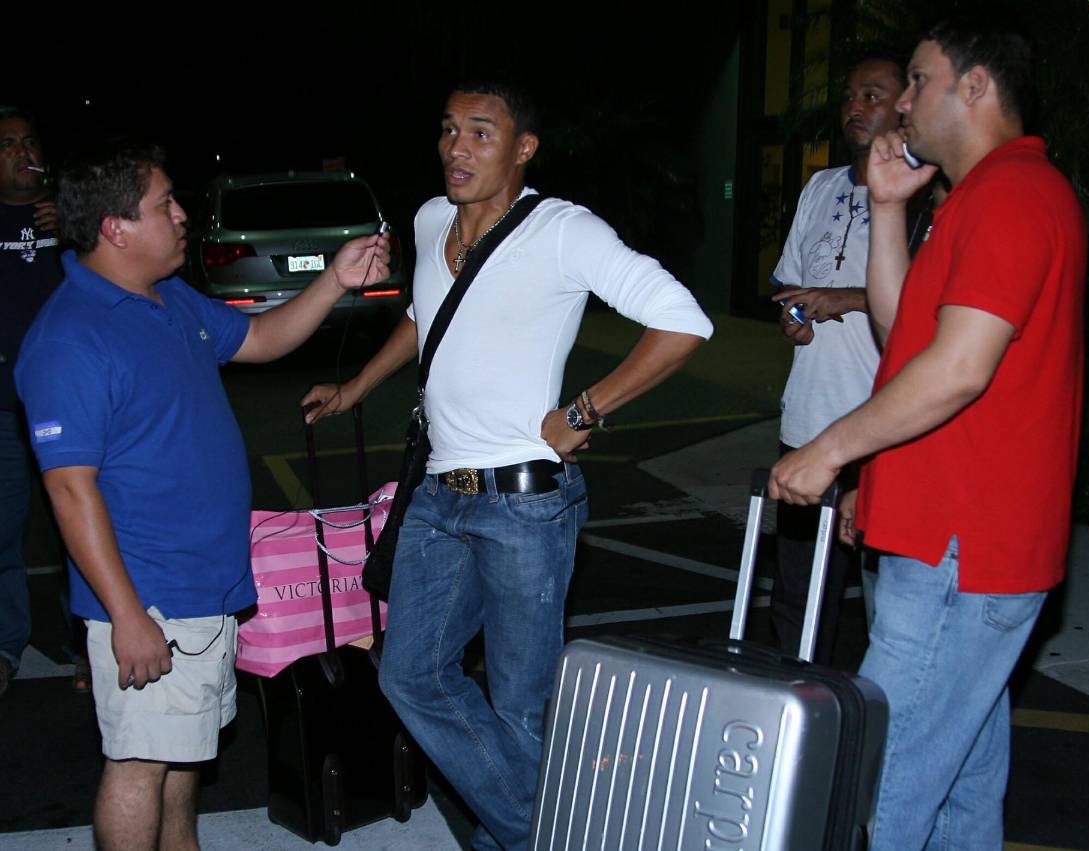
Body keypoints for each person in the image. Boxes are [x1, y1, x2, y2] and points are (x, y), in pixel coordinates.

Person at [302, 82, 712, 850]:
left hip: (524, 504)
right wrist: (358, 385)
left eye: (481, 133)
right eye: (448, 129)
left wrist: (584, 411)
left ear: (524, 148)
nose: (457, 147)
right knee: (410, 675)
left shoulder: (563, 230)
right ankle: (543, 833)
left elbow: (682, 321)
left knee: (522, 708)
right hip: (437, 496)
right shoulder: (430, 218)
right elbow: (425, 313)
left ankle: (526, 836)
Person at [16, 139, 390, 851]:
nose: (183, 215)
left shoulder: (167, 297)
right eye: (165, 204)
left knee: (181, 755)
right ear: (116, 228)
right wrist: (127, 615)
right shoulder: (70, 338)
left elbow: (261, 338)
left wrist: (335, 279)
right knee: (138, 763)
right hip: (151, 594)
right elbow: (68, 489)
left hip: (206, 586)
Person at [768, 16, 1086, 850]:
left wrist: (831, 449)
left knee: (879, 788)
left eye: (918, 79)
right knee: (960, 791)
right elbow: (903, 330)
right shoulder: (976, 197)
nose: (903, 102)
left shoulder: (1014, 194)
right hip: (952, 542)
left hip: (962, 550)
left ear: (974, 85)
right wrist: (886, 208)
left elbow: (957, 369)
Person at [767, 54, 905, 664]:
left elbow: (934, 307)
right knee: (799, 592)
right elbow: (791, 287)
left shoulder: (926, 196)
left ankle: (885, 711)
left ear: (907, 103)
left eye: (872, 95)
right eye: (850, 95)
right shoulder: (820, 187)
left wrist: (846, 298)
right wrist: (794, 317)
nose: (855, 106)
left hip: (887, 429)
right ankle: (799, 703)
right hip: (808, 420)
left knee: (893, 599)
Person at [0, 106, 61, 696]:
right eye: (7, 144)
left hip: (70, 403)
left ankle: (92, 640)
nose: (22, 152)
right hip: (4, 407)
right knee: (3, 530)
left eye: (29, 141)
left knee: (84, 524)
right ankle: (4, 643)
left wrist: (76, 232)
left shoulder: (71, 219)